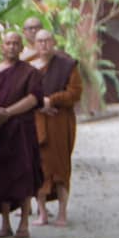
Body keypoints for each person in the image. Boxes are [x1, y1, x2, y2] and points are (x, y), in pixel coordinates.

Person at [0, 31, 44, 238]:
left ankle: (24, 223)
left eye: (16, 44)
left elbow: (33, 98)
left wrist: (8, 112)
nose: (11, 47)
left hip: (22, 129)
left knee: (24, 174)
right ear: (1, 47)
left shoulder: (30, 72)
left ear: (22, 48)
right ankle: (4, 223)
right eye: (8, 43)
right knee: (2, 176)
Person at [30, 29, 84, 225]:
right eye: (40, 41)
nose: (44, 45)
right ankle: (42, 212)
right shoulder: (30, 67)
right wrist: (40, 105)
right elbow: (24, 95)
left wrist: (51, 100)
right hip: (37, 123)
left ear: (53, 42)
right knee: (39, 168)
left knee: (61, 168)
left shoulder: (67, 66)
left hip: (60, 123)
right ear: (35, 45)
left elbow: (75, 92)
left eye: (47, 40)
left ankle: (62, 213)